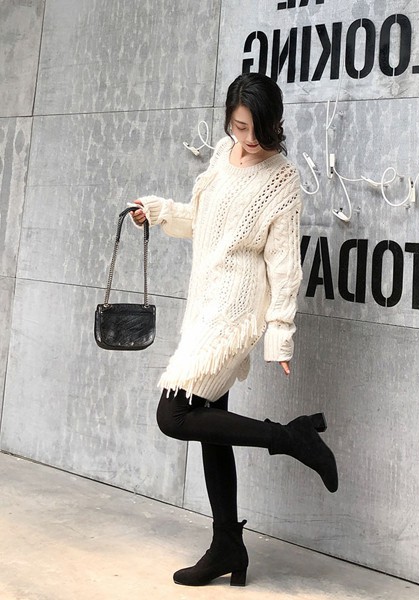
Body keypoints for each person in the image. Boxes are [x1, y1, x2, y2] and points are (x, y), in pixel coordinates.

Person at [130, 73, 338, 587]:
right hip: (203, 306)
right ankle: (228, 545)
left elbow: (285, 265)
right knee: (210, 425)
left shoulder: (281, 178)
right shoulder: (224, 155)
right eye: (239, 127)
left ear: (274, 124)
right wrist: (158, 213)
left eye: (256, 130)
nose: (247, 139)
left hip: (234, 315)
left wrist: (279, 332)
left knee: (174, 415)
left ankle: (291, 437)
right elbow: (204, 222)